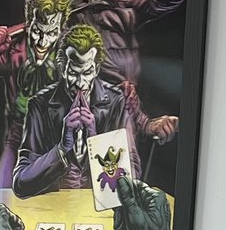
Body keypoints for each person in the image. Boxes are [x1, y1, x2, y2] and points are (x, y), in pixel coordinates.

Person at [13, 24, 160, 198]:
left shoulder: (116, 102)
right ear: (63, 69)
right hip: (55, 210)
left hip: (103, 214)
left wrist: (96, 142)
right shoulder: (39, 104)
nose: (81, 83)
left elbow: (131, 178)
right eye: (74, 73)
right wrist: (61, 150)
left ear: (97, 69)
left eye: (87, 72)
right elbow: (21, 183)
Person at [0, 0, 71, 190]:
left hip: (57, 134)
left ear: (61, 29)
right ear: (29, 24)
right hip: (19, 132)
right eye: (37, 31)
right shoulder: (13, 50)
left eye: (51, 33)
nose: (43, 41)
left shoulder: (68, 51)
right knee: (3, 195)